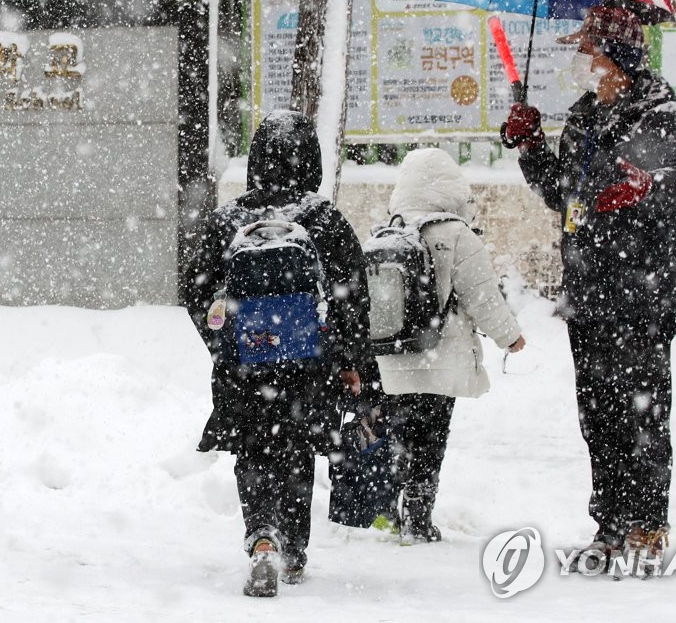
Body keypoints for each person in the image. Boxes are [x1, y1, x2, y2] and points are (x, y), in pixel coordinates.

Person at [501, 6, 676, 576]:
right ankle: (609, 522)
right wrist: (532, 145)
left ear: (620, 58)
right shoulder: (584, 118)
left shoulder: (660, 114)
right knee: (599, 413)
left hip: (641, 291)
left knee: (644, 410)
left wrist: (637, 191)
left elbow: (673, 189)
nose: (584, 62)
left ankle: (647, 524)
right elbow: (564, 196)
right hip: (589, 292)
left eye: (592, 51)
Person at [182, 110, 374, 596]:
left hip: (245, 364)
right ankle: (293, 550)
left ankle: (262, 538)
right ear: (311, 161)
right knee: (296, 448)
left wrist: (224, 340)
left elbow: (194, 287)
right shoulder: (323, 220)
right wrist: (348, 358)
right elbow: (353, 295)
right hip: (308, 364)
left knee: (254, 446)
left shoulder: (230, 219)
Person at [375, 147, 526, 545]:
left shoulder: (385, 232)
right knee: (431, 437)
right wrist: (510, 336)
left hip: (394, 360)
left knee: (397, 435)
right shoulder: (458, 235)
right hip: (441, 360)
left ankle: (389, 510)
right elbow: (483, 297)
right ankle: (419, 517)